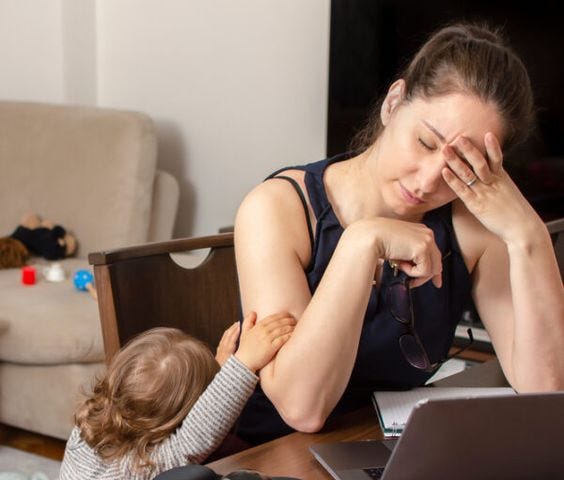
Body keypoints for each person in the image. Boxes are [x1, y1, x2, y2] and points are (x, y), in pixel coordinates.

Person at [233, 22, 564, 445]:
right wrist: (362, 242)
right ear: (393, 103)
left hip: (387, 452)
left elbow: (545, 391)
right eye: (426, 143)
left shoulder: (471, 229)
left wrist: (526, 232)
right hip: (270, 457)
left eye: (461, 166)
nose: (428, 182)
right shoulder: (278, 208)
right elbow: (302, 407)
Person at [59, 311, 296, 479]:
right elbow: (199, 434)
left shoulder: (86, 429)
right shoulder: (139, 466)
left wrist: (216, 372)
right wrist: (245, 362)